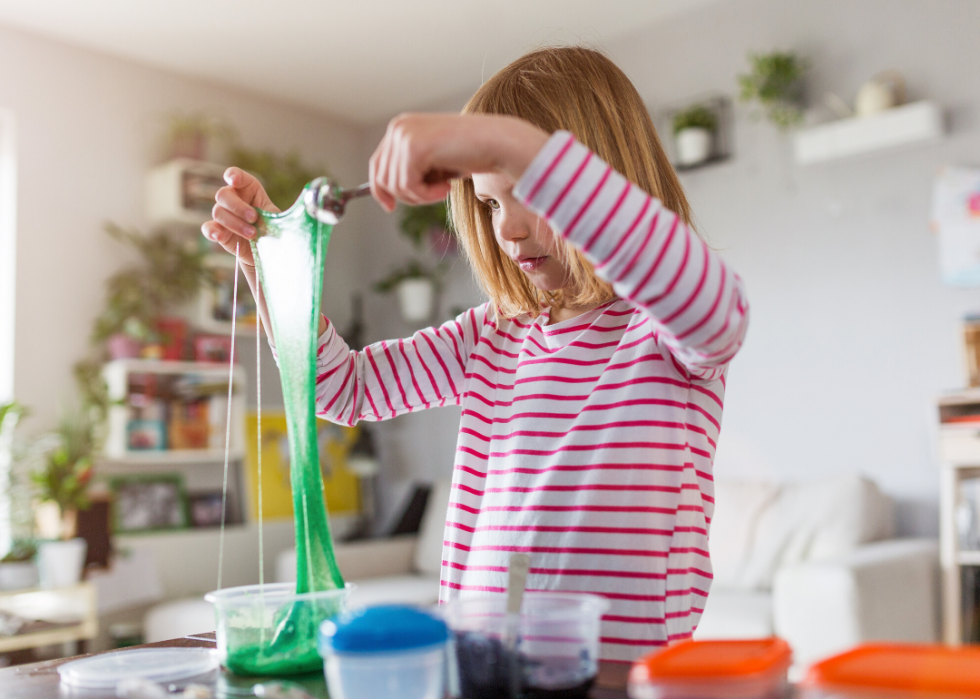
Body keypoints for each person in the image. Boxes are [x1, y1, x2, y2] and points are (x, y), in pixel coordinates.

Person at [203, 46, 749, 662]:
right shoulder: (492, 334)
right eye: (490, 203)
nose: (508, 229)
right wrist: (272, 270)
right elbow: (339, 388)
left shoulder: (661, 330)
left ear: (603, 181)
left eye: (530, 193)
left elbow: (715, 308)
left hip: (617, 677)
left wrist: (511, 144)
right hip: (479, 666)